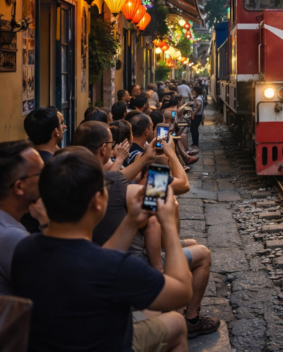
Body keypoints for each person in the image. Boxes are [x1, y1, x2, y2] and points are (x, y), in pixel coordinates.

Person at [12, 147, 192, 351]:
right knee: (176, 323)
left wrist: (131, 221)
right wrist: (167, 223)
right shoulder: (116, 267)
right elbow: (182, 291)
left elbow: (96, 261)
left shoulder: (24, 249)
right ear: (97, 202)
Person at [74, 123, 219, 337]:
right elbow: (158, 202)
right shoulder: (114, 182)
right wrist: (165, 157)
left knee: (190, 245)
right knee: (203, 253)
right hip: (131, 264)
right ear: (104, 149)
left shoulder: (85, 180)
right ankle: (191, 320)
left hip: (99, 261)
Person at [0, 141, 46, 295]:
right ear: (19, 187)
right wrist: (47, 222)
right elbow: (55, 287)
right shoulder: (12, 237)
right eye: (41, 174)